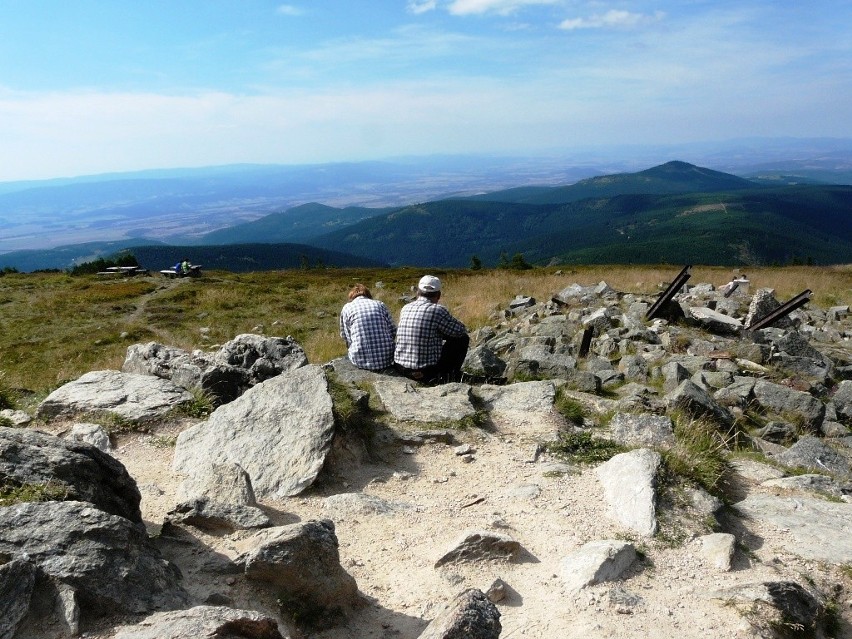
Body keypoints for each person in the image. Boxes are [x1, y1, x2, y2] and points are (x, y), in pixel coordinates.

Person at [394, 275, 469, 384]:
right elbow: (460, 331)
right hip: (425, 372)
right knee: (462, 339)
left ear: (418, 292)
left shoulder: (405, 308)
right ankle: (449, 375)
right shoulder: (438, 310)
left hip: (401, 368)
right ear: (438, 295)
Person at [339, 283, 396, 371]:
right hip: (387, 359)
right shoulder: (380, 304)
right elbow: (393, 330)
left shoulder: (347, 308)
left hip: (360, 361)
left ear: (352, 297)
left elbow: (347, 337)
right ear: (368, 295)